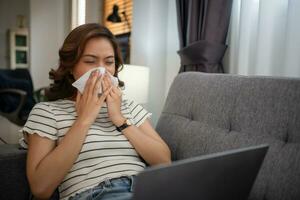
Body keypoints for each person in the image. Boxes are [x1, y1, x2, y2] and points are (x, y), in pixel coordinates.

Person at [20, 23, 171, 200]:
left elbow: (164, 161)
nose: (102, 71)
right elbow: (40, 188)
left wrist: (119, 119)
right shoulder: (47, 112)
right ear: (70, 67)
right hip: (99, 194)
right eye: (90, 61)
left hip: (148, 189)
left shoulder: (128, 107)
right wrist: (84, 120)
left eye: (109, 62)